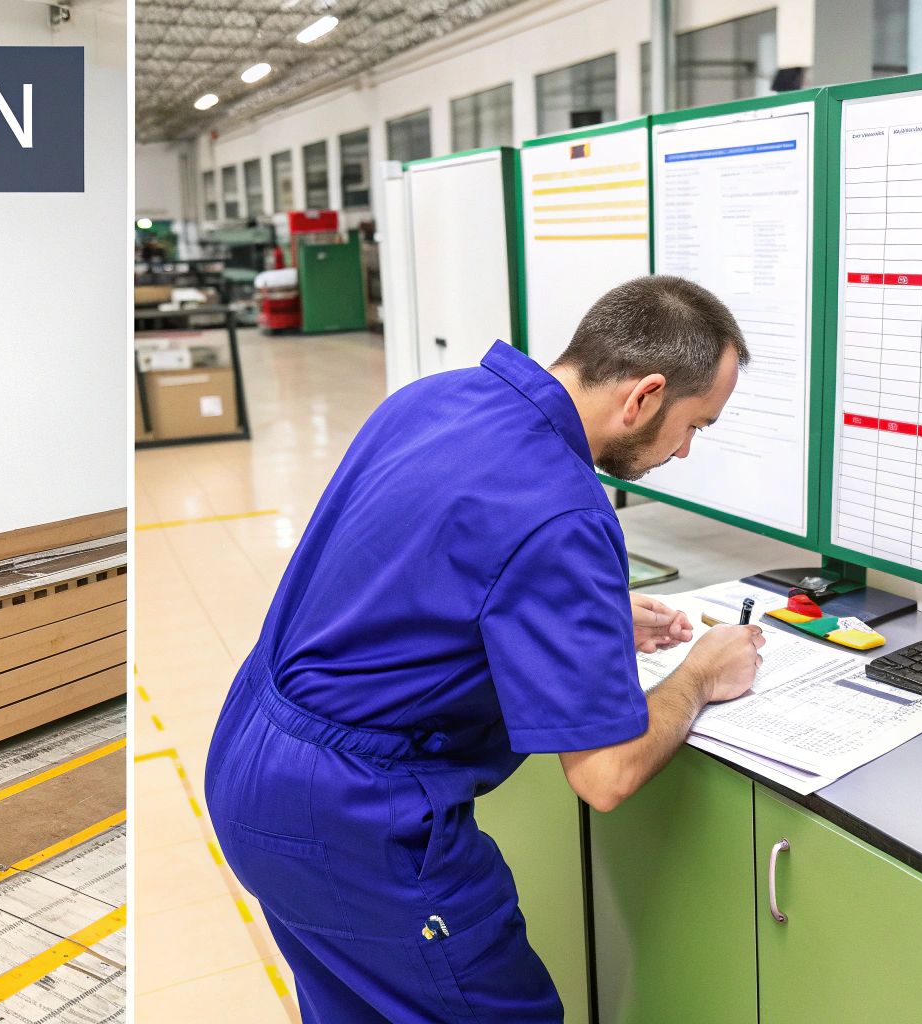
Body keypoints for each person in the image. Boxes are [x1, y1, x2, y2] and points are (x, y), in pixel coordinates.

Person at [203, 276, 768, 1022]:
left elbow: (401, 565)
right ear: (645, 395)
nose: (686, 451)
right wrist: (699, 675)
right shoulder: (564, 511)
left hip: (251, 760)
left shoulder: (437, 398)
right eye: (695, 425)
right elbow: (605, 774)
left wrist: (574, 621)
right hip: (353, 820)